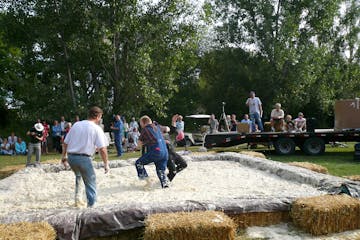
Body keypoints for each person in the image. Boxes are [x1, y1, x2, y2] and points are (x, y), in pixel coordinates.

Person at [62, 106, 109, 208]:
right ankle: (91, 207)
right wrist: (106, 164)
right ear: (98, 116)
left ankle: (77, 200)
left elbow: (65, 142)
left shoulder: (76, 125)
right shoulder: (96, 128)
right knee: (90, 183)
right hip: (84, 158)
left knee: (79, 177)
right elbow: (103, 149)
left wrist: (64, 157)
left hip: (71, 158)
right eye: (100, 117)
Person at [135, 115, 169, 188]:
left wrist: (137, 148)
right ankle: (165, 185)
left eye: (140, 124)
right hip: (165, 152)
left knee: (138, 163)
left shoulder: (145, 129)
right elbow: (167, 128)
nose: (141, 126)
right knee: (161, 171)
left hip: (156, 151)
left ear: (144, 123)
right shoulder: (157, 126)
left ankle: (148, 181)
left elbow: (139, 144)